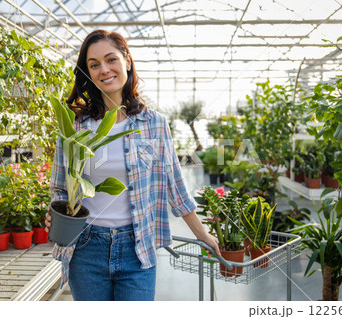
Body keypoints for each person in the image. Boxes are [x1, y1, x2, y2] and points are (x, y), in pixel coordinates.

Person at [45, 29, 220, 301]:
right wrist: (55, 213)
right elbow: (60, 188)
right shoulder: (75, 126)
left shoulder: (154, 124)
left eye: (110, 59)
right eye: (94, 64)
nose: (104, 69)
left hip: (137, 247)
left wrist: (204, 235)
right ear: (88, 72)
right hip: (86, 247)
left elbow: (175, 188)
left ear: (127, 60)